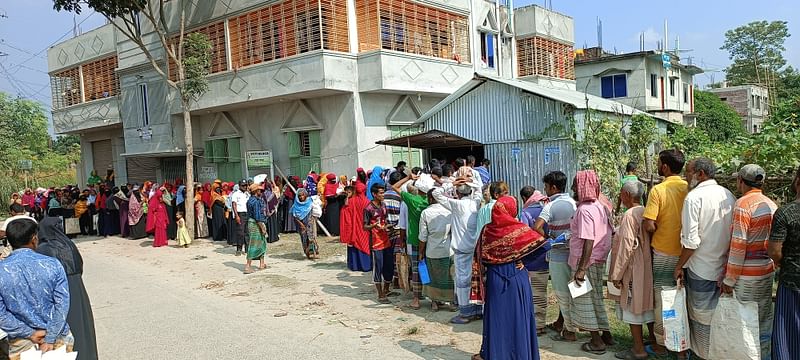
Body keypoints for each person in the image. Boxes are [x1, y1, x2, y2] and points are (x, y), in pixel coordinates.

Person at [673, 158, 736, 359]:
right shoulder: (729, 195)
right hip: (723, 269)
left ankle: (703, 355)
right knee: (719, 320)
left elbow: (691, 242)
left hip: (701, 269)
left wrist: (679, 265)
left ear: (700, 174)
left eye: (688, 171)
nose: (685, 175)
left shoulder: (694, 198)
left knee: (701, 321)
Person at [473, 195, 546, 360]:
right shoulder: (519, 229)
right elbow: (543, 246)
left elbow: (479, 255)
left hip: (495, 279)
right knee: (518, 318)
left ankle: (496, 354)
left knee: (497, 319)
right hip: (517, 278)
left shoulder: (486, 230)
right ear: (512, 210)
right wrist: (526, 262)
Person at [721, 164, 777, 360]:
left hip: (746, 275)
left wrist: (729, 279)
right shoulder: (770, 204)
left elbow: (739, 244)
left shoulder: (743, 205)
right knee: (763, 319)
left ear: (741, 181)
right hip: (766, 271)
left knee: (745, 322)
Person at [0, 218, 72, 357]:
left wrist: (30, 333)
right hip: (57, 338)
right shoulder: (53, 264)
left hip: (21, 343)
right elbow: (62, 304)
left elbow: (1, 314)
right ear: (34, 239)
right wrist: (50, 338)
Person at [642, 149, 687, 356]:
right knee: (682, 297)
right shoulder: (689, 188)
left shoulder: (658, 190)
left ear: (665, 167)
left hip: (663, 252)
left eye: (659, 163)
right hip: (687, 253)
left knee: (663, 300)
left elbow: (649, 223)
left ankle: (662, 344)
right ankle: (683, 343)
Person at [35, 217, 98, 360]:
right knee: (82, 326)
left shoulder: (42, 249)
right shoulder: (69, 244)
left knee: (66, 324)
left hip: (57, 292)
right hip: (77, 288)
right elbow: (80, 266)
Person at [569, 170, 614, 355]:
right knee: (596, 298)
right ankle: (606, 335)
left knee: (583, 300)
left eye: (575, 184)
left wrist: (581, 269)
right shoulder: (600, 206)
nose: (573, 187)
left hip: (585, 261)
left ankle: (596, 342)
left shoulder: (584, 210)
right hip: (598, 259)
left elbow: (588, 239)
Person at [609, 181, 654, 360]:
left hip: (633, 266)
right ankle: (652, 340)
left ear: (627, 194)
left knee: (631, 305)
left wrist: (617, 273)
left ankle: (638, 349)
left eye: (621, 193)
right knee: (647, 302)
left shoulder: (629, 215)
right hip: (646, 263)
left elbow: (626, 245)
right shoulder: (646, 211)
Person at [533, 171, 578, 342]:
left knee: (561, 293)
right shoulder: (573, 203)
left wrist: (548, 238)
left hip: (558, 255)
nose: (545, 191)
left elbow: (537, 226)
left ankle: (570, 331)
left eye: (546, 187)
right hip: (574, 254)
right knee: (573, 291)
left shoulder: (550, 206)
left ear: (553, 187)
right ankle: (565, 324)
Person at [432, 177, 482, 324]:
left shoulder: (456, 204)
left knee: (462, 281)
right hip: (474, 248)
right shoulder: (476, 203)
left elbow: (436, 194)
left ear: (458, 194)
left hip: (462, 249)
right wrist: (469, 182)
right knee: (476, 279)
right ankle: (477, 309)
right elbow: (479, 189)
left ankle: (465, 313)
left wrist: (452, 183)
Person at [769, 165, 800, 360]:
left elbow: (774, 251)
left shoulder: (785, 213)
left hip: (792, 282)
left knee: (788, 338)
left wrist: (781, 261)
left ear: (797, 182)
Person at [392, 173, 430, 310]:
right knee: (428, 268)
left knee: (416, 269)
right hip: (430, 240)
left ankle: (416, 298)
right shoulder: (431, 201)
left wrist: (408, 177)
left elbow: (394, 186)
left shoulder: (412, 200)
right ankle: (433, 299)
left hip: (414, 239)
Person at [519, 186, 551, 337]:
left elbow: (523, 237)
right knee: (542, 292)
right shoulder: (546, 208)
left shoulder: (525, 213)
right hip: (545, 256)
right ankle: (541, 323)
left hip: (531, 259)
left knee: (532, 294)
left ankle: (536, 326)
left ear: (524, 199)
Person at [418, 189, 453, 311]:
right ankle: (451, 302)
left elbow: (423, 236)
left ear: (430, 198)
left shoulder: (426, 213)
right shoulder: (449, 211)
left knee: (433, 278)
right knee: (448, 277)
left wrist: (420, 253)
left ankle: (434, 302)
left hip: (432, 251)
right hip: (448, 250)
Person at [364, 184, 394, 303]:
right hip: (376, 242)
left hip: (386, 239)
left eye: (383, 193)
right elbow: (365, 226)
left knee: (389, 265)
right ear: (374, 194)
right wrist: (374, 226)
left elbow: (384, 221)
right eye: (381, 193)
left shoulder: (384, 205)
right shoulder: (368, 208)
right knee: (378, 267)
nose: (383, 195)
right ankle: (380, 293)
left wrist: (387, 227)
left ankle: (386, 289)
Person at [245, 184, 268, 274]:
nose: (261, 192)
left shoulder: (249, 200)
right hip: (256, 223)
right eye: (259, 190)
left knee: (262, 242)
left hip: (251, 222)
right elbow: (257, 217)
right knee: (254, 244)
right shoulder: (256, 202)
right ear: (256, 191)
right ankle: (248, 266)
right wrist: (262, 227)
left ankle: (262, 263)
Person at [292, 189, 319, 260]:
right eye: (299, 196)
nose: (301, 197)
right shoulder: (296, 205)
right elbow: (295, 216)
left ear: (305, 195)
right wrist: (301, 224)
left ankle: (314, 253)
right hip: (302, 225)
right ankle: (307, 253)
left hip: (310, 223)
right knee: (304, 238)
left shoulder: (310, 202)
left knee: (312, 238)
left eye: (302, 195)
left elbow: (315, 210)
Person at [231, 181, 250, 256]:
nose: (245, 187)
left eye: (245, 185)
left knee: (247, 232)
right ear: (239, 186)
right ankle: (239, 249)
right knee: (240, 232)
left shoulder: (247, 194)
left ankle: (247, 249)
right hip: (240, 213)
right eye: (243, 185)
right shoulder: (236, 194)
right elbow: (234, 204)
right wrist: (236, 215)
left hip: (247, 213)